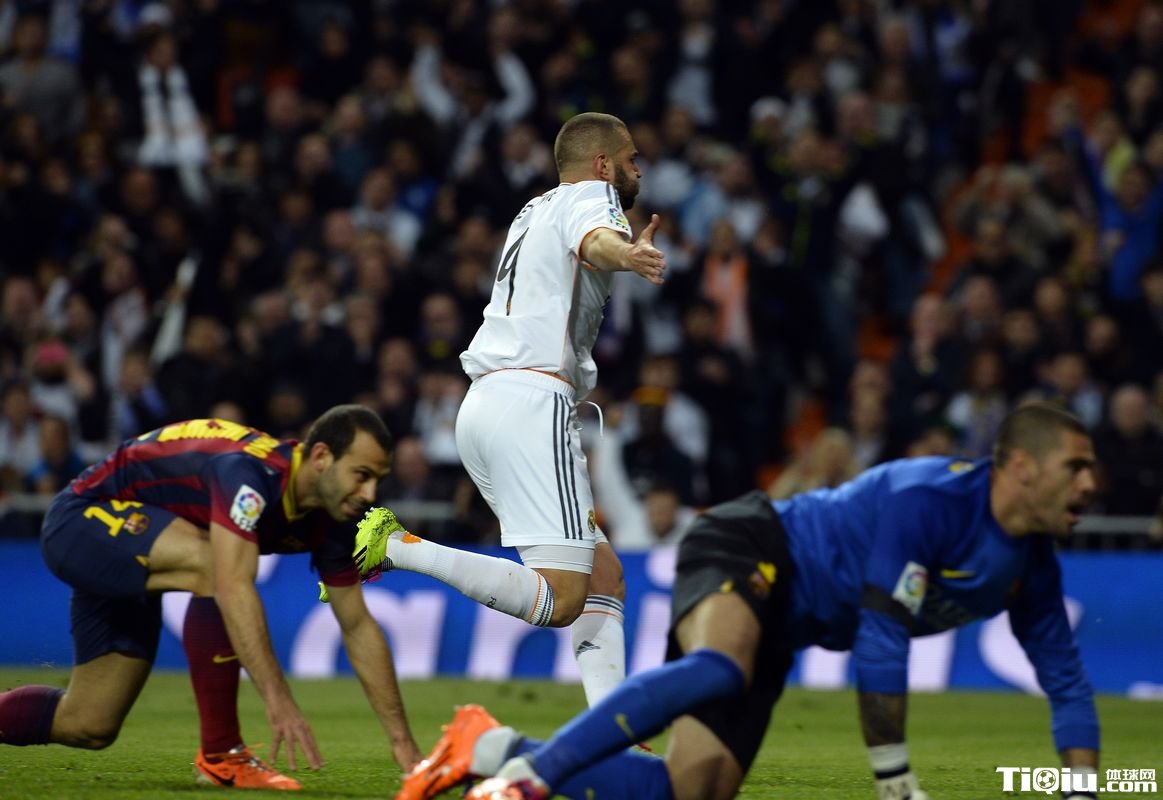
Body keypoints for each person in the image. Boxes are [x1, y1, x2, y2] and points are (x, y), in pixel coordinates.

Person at [413, 403, 1100, 800]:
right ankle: (527, 781)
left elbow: (1066, 682)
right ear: (1020, 466)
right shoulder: (931, 500)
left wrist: (1082, 790)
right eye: (1076, 467)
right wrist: (895, 781)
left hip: (785, 624)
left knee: (691, 791)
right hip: (749, 541)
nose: (1090, 485)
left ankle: (489, 747)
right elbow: (881, 639)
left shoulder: (1031, 566)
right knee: (720, 666)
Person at [365, 111, 664, 800]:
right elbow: (597, 242)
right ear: (601, 164)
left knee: (604, 576)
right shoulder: (593, 198)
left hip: (486, 405)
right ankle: (399, 547)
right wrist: (629, 255)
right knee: (562, 598)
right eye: (630, 157)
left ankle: (613, 734)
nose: (637, 168)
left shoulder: (533, 210)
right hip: (532, 403)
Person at [0, 406, 422, 789]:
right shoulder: (250, 476)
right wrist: (278, 699)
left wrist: (403, 745)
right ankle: (222, 755)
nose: (369, 494)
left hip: (135, 544)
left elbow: (357, 624)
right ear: (321, 457)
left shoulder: (333, 519)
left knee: (89, 724)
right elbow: (231, 585)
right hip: (83, 518)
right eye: (361, 475)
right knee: (214, 566)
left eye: (378, 480)